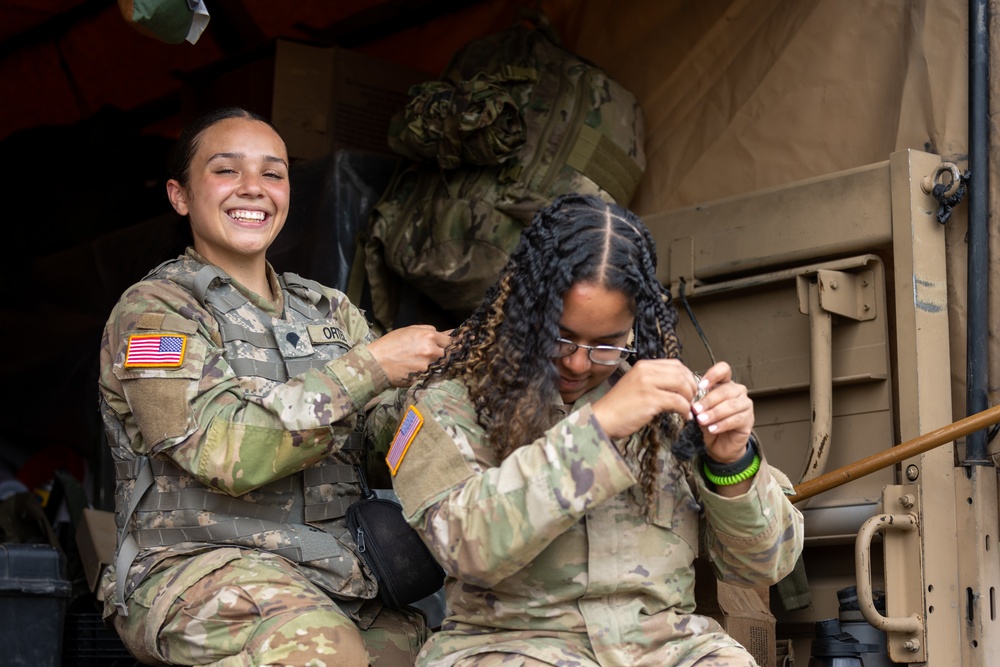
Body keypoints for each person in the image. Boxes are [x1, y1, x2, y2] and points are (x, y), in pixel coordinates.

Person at [97, 106, 452, 666]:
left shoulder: (327, 309)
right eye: (226, 170)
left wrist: (456, 392)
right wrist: (373, 367)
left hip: (335, 574)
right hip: (197, 572)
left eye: (273, 173)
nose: (252, 189)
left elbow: (393, 438)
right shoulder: (158, 313)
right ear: (179, 195)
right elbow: (221, 451)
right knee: (320, 651)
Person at [386, 192, 805, 667]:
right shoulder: (451, 400)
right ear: (525, 310)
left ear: (635, 328)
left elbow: (762, 566)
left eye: (607, 345)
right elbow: (465, 548)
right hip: (511, 647)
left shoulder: (670, 405)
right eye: (559, 336)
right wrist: (599, 429)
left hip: (667, 648)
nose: (578, 362)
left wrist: (732, 465)